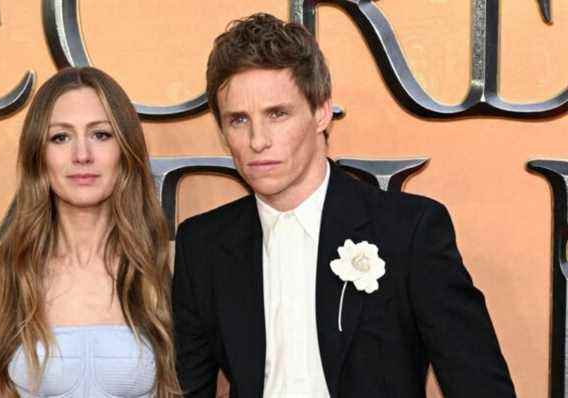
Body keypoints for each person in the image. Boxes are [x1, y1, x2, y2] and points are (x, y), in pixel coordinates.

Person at [172, 13, 516, 397]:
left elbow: (481, 386)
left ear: (321, 111)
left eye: (277, 114)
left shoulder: (408, 232)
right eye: (238, 120)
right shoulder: (201, 247)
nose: (257, 141)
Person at [0, 67, 180, 397]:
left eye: (101, 135)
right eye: (61, 137)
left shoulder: (169, 264)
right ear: (39, 155)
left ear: (125, 149)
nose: (82, 156)